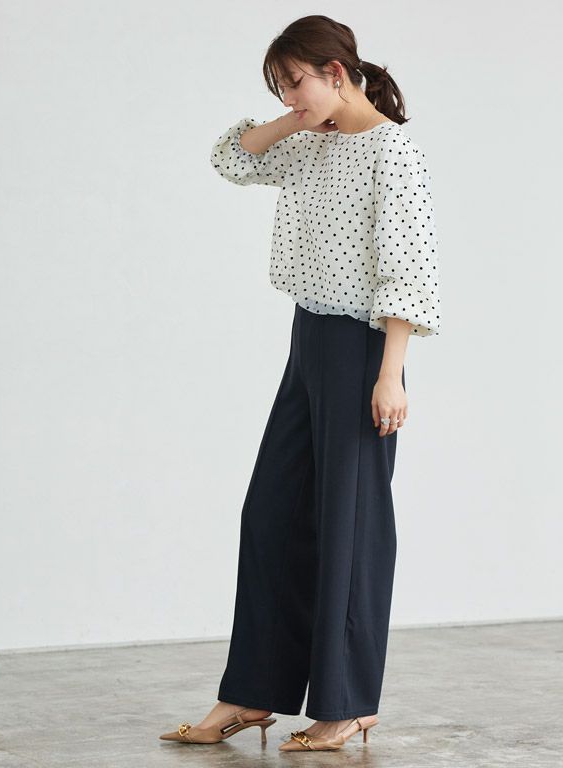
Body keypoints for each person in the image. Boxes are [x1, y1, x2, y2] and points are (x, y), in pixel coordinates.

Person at [160, 13, 441, 752]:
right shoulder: (309, 142)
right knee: (273, 515)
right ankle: (251, 693)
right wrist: (296, 117)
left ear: (336, 71)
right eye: (280, 88)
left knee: (349, 527)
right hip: (308, 338)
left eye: (295, 83)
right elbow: (231, 158)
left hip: (363, 347)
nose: (288, 98)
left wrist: (390, 376)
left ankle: (346, 705)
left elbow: (408, 271)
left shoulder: (393, 152)